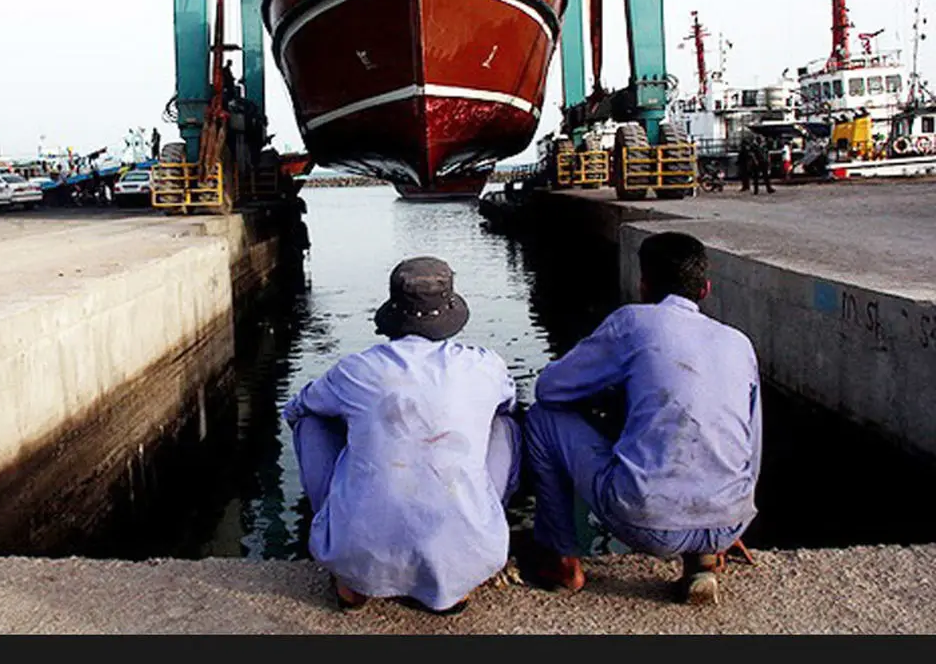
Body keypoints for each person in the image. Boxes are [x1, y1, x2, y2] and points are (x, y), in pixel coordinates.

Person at [521, 232, 762, 606]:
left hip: (647, 523)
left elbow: (549, 389)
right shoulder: (739, 343)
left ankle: (561, 560)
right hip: (730, 518)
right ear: (706, 288)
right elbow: (752, 443)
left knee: (541, 419)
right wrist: (729, 517)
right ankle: (703, 557)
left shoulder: (633, 322)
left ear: (644, 284)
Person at [282, 257, 521, 615]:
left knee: (311, 421)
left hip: (356, 559)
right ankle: (460, 560)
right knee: (505, 426)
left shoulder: (356, 369)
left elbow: (296, 408)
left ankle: (350, 569)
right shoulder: (485, 364)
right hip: (470, 560)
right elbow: (509, 402)